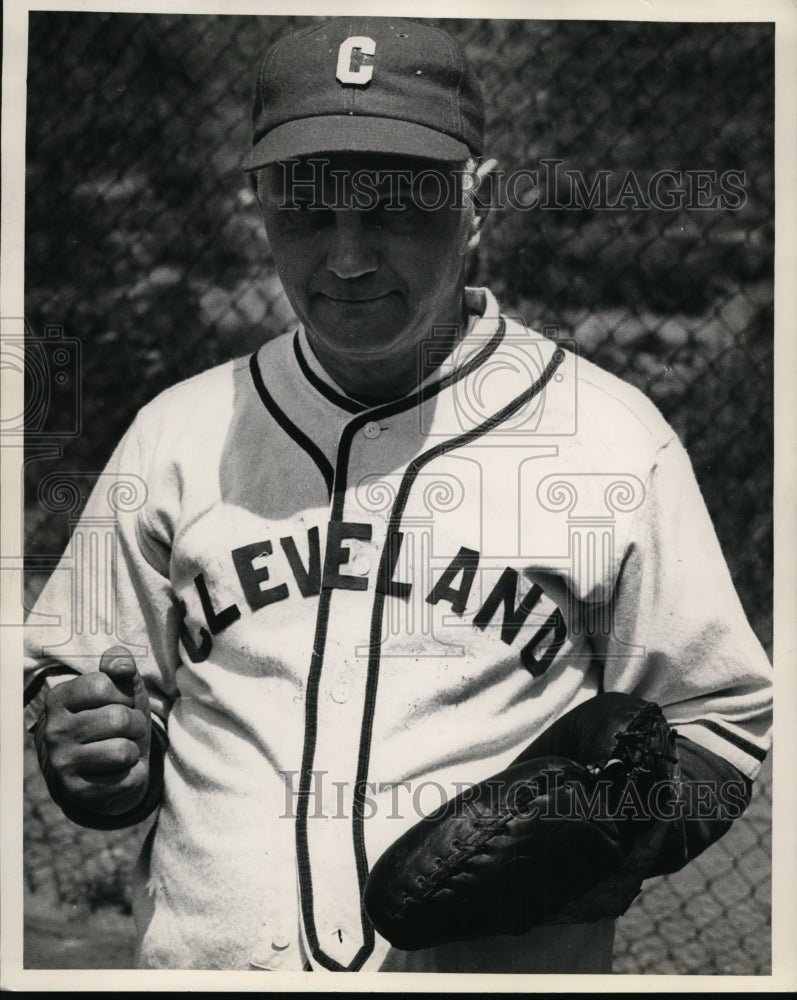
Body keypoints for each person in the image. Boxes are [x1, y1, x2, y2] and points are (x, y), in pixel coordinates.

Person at [24, 17, 772, 974]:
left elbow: (722, 717)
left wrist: (602, 839)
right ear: (257, 199)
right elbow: (86, 693)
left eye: (396, 204)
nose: (345, 257)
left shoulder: (611, 438)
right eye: (304, 203)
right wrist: (99, 755)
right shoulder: (176, 433)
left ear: (477, 202)